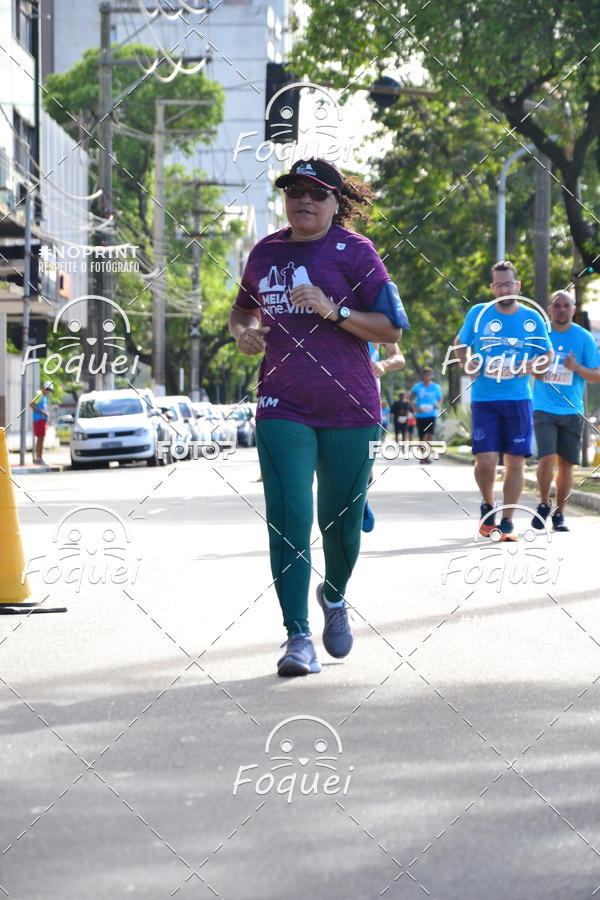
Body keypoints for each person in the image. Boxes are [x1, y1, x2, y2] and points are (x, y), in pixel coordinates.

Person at [229, 158, 409, 677]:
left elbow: (392, 329)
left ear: (336, 202)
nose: (303, 200)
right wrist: (243, 331)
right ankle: (297, 637)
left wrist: (336, 311)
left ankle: (333, 595)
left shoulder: (356, 253)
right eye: (293, 191)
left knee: (342, 526)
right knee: (289, 518)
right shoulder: (266, 252)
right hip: (282, 404)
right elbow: (243, 310)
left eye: (315, 192)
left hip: (351, 408)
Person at [453, 260, 553, 541]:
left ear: (518, 286)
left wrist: (530, 367)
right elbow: (460, 343)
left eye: (509, 283)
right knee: (485, 460)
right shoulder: (478, 313)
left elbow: (547, 354)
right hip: (485, 399)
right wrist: (467, 363)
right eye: (499, 284)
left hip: (518, 398)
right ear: (492, 288)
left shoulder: (531, 317)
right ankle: (488, 503)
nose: (504, 289)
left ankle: (507, 519)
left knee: (515, 463)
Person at [532, 290, 600, 531]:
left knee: (566, 465)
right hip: (543, 407)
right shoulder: (541, 335)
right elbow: (530, 367)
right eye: (556, 305)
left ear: (573, 309)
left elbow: (596, 375)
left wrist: (576, 366)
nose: (561, 309)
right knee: (547, 458)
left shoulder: (584, 338)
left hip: (572, 410)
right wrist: (538, 369)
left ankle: (559, 513)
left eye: (566, 305)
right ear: (550, 309)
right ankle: (543, 503)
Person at [362, 341, 405, 532]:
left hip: (366, 403)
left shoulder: (374, 320)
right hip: (328, 402)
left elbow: (399, 357)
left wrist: (383, 364)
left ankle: (360, 497)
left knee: (365, 465)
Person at [410, 367, 442, 464]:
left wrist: (438, 405)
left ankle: (426, 456)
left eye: (429, 375)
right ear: (422, 376)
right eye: (425, 375)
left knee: (429, 435)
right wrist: (414, 408)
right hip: (420, 415)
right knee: (422, 436)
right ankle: (423, 456)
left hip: (431, 414)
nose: (427, 376)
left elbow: (440, 399)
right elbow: (410, 398)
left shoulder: (436, 387)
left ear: (432, 376)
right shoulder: (417, 387)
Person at [29, 381, 53, 465]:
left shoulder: (44, 397)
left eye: (49, 390)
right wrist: (42, 412)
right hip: (38, 419)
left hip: (43, 420)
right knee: (40, 439)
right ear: (44, 388)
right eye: (47, 389)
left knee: (41, 439)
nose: (48, 391)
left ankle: (39, 457)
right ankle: (39, 458)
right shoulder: (39, 394)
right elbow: (32, 404)